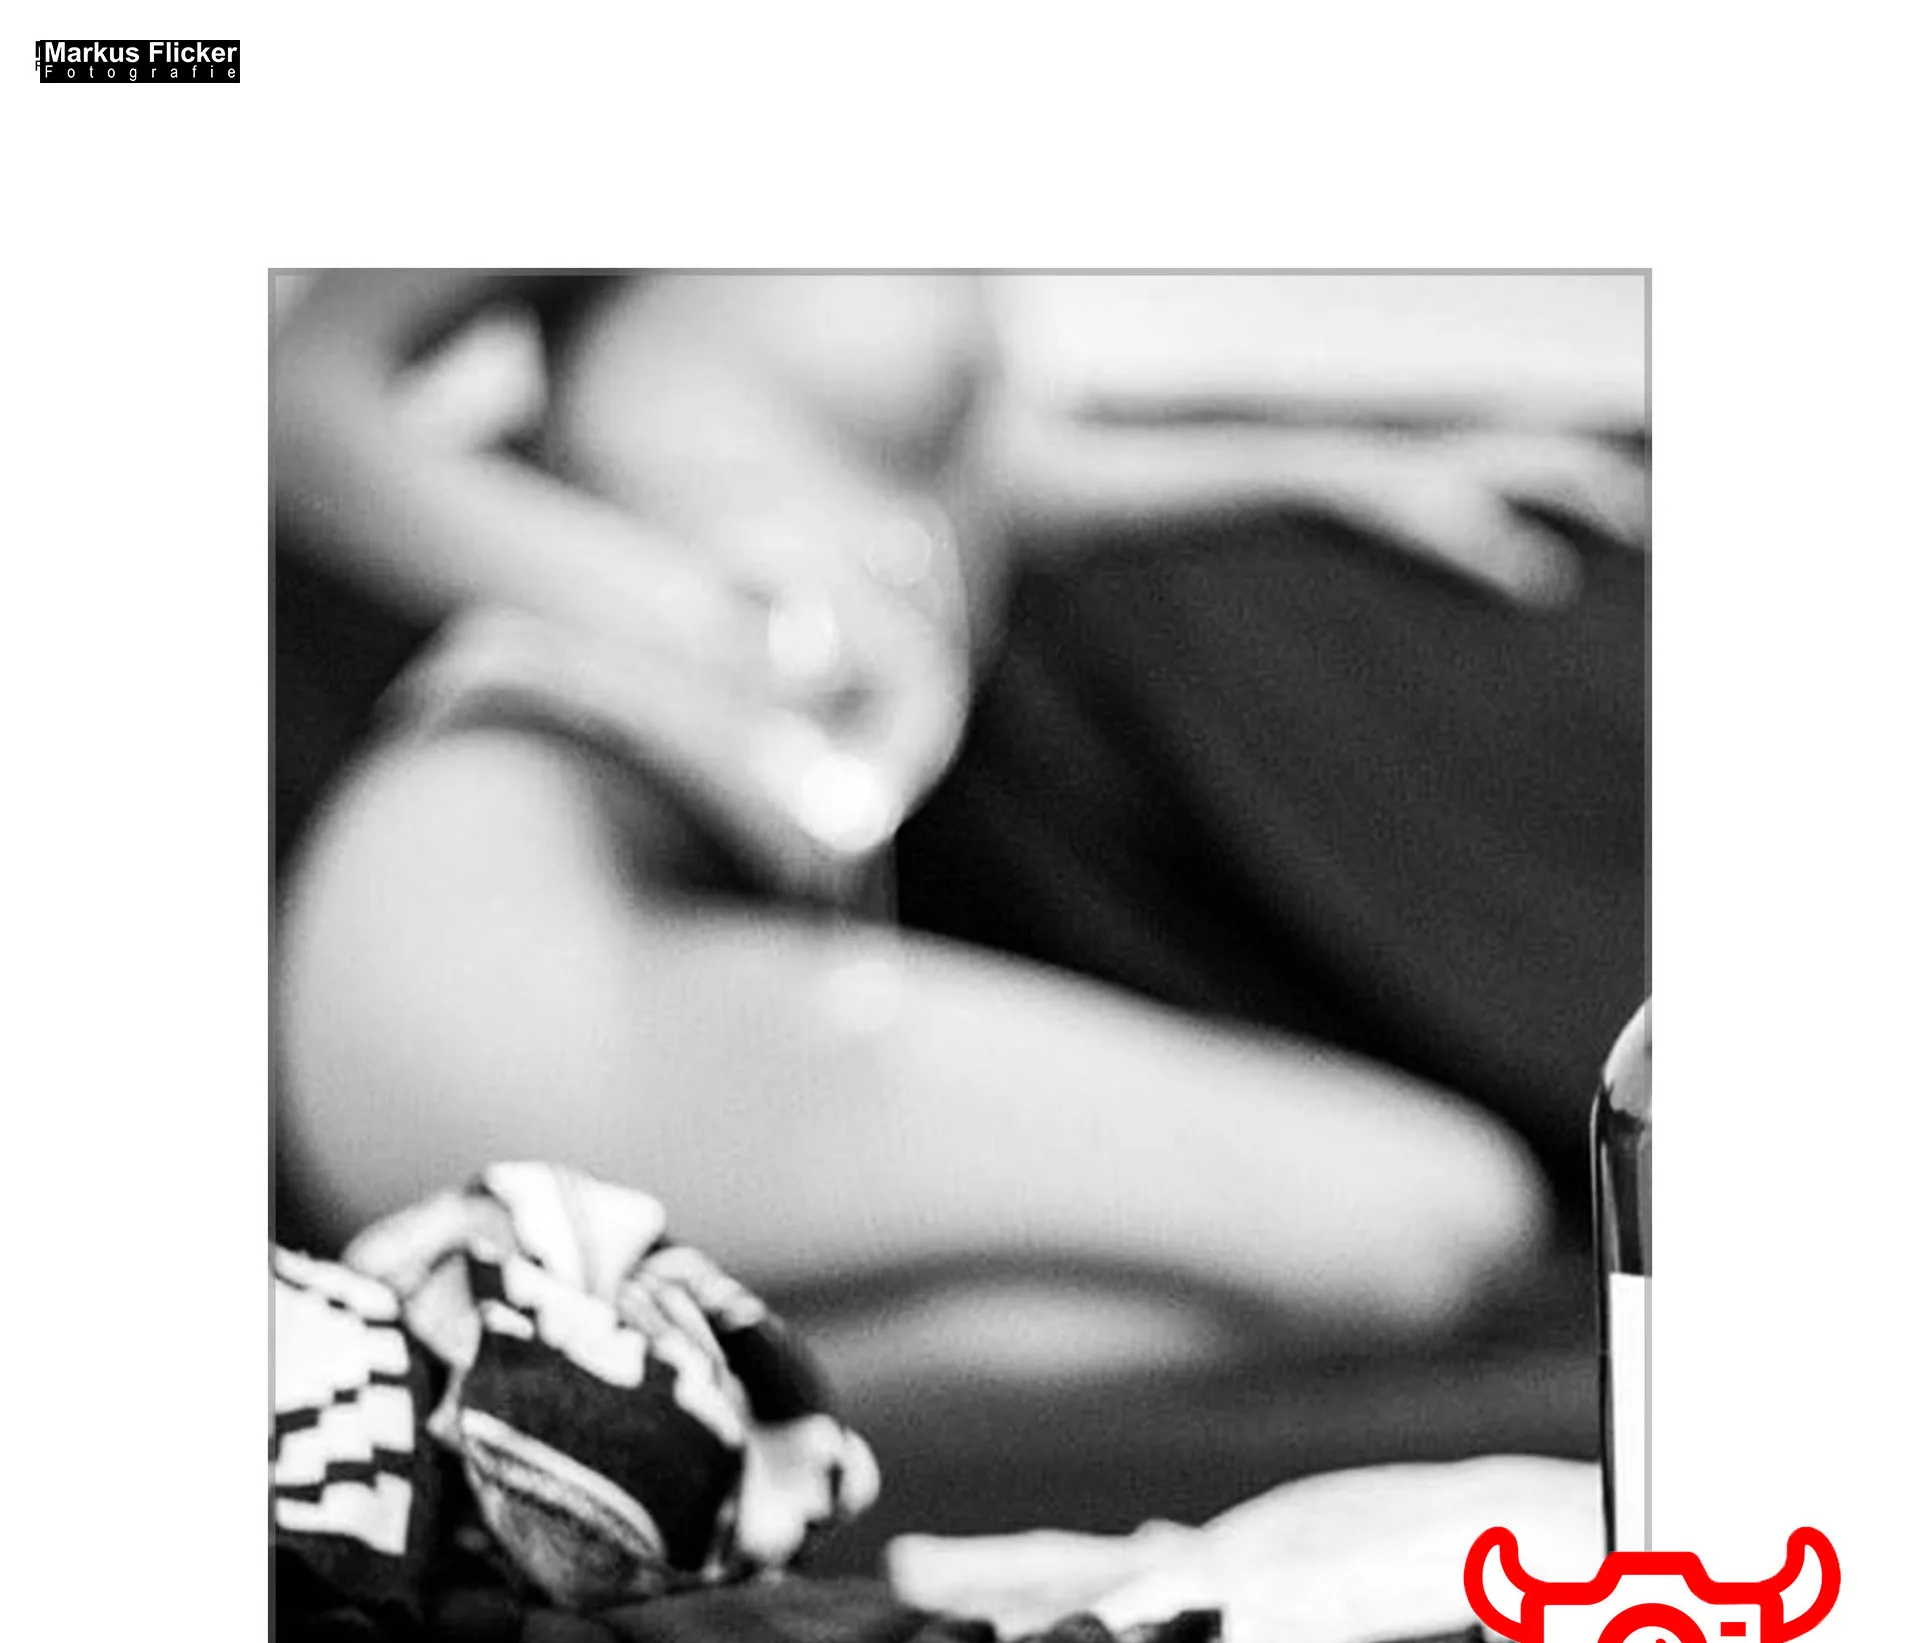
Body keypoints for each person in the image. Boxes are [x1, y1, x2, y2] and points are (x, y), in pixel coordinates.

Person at [273, 271, 1644, 1388]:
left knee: (1427, 1234)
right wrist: (674, 610)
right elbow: (300, 405)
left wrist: (1342, 471)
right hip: (500, 906)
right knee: (1427, 1217)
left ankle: (535, 1429)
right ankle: (449, 1418)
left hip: (703, 904)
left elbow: (992, 475)